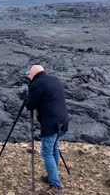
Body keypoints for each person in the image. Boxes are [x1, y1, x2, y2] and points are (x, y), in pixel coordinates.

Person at [26, 65, 69, 195]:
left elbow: (30, 106)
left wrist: (30, 92)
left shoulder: (37, 84)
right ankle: (53, 177)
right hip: (63, 122)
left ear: (33, 74)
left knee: (46, 153)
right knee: (54, 148)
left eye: (30, 75)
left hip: (50, 124)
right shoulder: (55, 79)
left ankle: (56, 187)